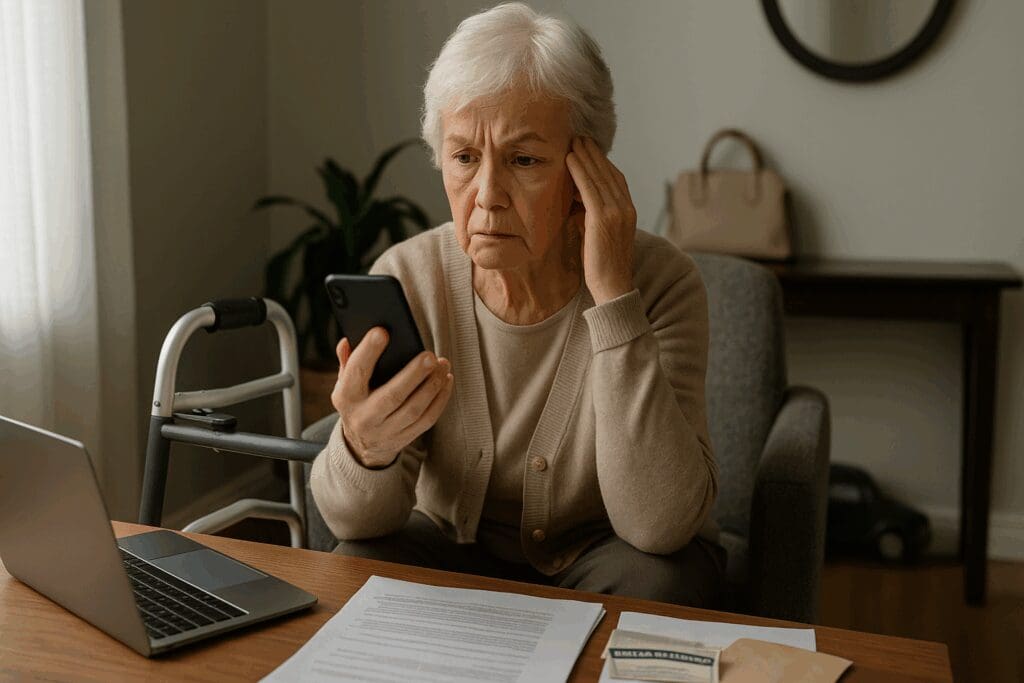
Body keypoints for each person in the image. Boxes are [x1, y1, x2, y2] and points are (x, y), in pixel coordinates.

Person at [310, 1, 726, 607]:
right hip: (452, 551)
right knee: (356, 566)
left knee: (662, 583)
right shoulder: (408, 277)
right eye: (464, 157)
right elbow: (355, 524)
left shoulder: (662, 282)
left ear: (589, 169)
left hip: (609, 554)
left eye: (524, 160)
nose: (486, 197)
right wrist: (363, 447)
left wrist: (613, 297)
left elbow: (658, 526)